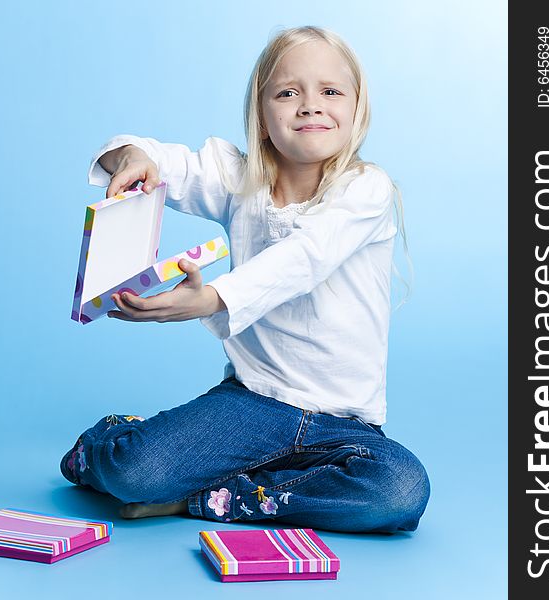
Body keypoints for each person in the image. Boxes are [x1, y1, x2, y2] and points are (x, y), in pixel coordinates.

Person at [60, 25, 430, 533]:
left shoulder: (366, 189)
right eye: (287, 92)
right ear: (261, 115)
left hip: (345, 427)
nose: (309, 105)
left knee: (400, 489)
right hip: (252, 403)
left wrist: (212, 299)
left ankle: (220, 496)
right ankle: (111, 442)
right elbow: (147, 156)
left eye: (330, 91)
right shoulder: (239, 179)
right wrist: (131, 158)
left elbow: (305, 257)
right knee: (134, 473)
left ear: (356, 108)